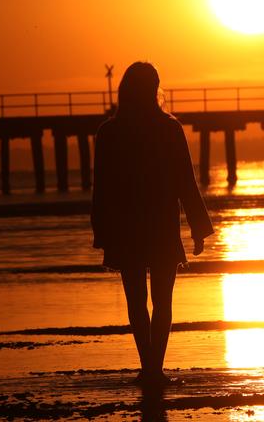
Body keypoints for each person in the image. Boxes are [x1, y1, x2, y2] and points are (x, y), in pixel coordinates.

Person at [91, 62, 214, 386]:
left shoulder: (109, 132)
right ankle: (154, 369)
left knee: (136, 301)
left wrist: (101, 231)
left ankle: (148, 368)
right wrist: (198, 227)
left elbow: (101, 188)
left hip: (126, 227)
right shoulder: (168, 128)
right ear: (153, 89)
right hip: (160, 225)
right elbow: (185, 181)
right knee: (162, 302)